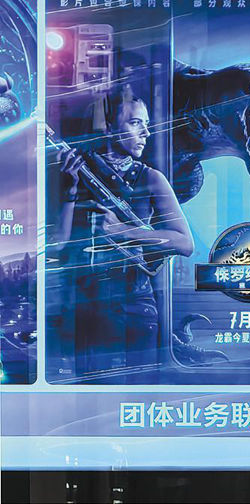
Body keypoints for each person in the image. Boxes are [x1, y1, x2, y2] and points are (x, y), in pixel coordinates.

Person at [54, 86, 194, 376]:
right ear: (108, 127)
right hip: (88, 304)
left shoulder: (151, 178)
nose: (146, 133)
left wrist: (125, 231)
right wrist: (69, 192)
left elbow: (185, 243)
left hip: (136, 304)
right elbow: (57, 244)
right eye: (135, 123)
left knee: (139, 393)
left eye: (146, 124)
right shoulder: (77, 170)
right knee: (92, 395)